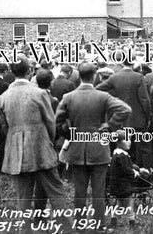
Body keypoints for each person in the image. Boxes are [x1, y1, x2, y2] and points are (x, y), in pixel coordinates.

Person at [56, 62, 131, 230]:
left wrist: (69, 134)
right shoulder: (102, 96)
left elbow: (57, 122)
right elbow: (125, 110)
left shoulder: (68, 97)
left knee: (79, 191)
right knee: (99, 191)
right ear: (95, 75)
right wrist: (109, 127)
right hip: (99, 148)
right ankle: (99, 225)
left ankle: (80, 224)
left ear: (79, 76)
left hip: (76, 149)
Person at [0, 56, 70, 231]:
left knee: (23, 198)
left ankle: (26, 230)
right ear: (30, 71)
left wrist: (15, 140)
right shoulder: (40, 93)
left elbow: (4, 126)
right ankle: (68, 229)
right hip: (41, 147)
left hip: (16, 150)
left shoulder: (3, 96)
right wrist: (50, 142)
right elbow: (51, 122)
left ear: (11, 72)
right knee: (56, 192)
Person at [96, 54, 152, 167]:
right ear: (133, 63)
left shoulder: (115, 77)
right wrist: (148, 116)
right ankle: (145, 174)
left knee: (124, 147)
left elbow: (98, 89)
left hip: (122, 119)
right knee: (142, 148)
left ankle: (125, 172)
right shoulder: (139, 77)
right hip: (138, 118)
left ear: (122, 63)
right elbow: (144, 99)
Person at [109, 129, 140, 228]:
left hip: (119, 185)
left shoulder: (120, 154)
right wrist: (134, 172)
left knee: (120, 203)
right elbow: (126, 169)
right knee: (128, 203)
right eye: (126, 140)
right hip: (122, 185)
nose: (129, 142)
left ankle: (113, 220)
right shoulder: (121, 156)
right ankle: (132, 221)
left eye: (130, 140)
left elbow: (127, 166)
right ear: (118, 142)